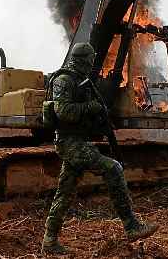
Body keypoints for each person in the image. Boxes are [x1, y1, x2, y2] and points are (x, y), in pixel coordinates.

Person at [42, 42, 158, 255]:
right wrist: (91, 107)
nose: (92, 64)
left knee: (65, 193)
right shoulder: (64, 80)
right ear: (83, 60)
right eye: (90, 60)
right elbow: (63, 111)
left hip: (78, 141)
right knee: (113, 168)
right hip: (70, 143)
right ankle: (131, 226)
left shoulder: (81, 81)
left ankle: (49, 241)